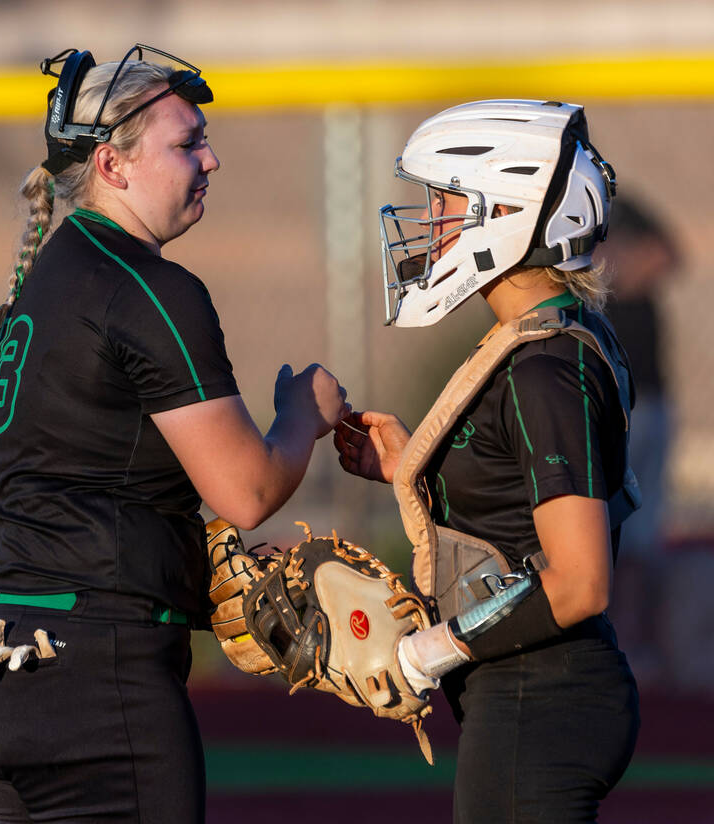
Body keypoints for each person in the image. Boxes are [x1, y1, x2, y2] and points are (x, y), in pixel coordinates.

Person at [0, 45, 349, 823]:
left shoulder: (51, 275)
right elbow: (248, 490)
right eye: (187, 141)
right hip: (85, 673)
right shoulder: (146, 288)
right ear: (112, 166)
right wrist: (303, 413)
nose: (212, 158)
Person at [335, 100, 640, 823]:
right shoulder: (549, 337)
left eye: (446, 203)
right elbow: (518, 505)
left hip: (543, 694)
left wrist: (426, 652)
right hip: (535, 692)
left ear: (506, 210)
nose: (431, 225)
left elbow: (579, 581)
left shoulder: (545, 367)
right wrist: (421, 466)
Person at [597, 197, 681, 687]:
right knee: (616, 526)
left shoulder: (627, 208)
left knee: (648, 534)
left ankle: (642, 639)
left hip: (654, 399)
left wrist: (626, 263)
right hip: (618, 403)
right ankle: (619, 637)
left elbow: (665, 256)